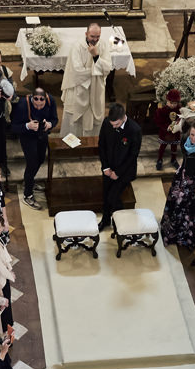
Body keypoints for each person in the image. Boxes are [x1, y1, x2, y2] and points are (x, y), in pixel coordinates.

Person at [159, 118, 195, 248]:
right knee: (175, 202)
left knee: (189, 209)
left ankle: (184, 239)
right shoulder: (185, 140)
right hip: (183, 175)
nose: (194, 138)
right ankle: (170, 233)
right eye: (192, 134)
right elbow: (186, 158)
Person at [60, 24, 112, 138]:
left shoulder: (103, 45)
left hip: (96, 89)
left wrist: (96, 56)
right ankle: (72, 145)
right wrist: (97, 73)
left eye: (98, 36)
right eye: (92, 36)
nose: (95, 39)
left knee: (93, 119)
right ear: (86, 34)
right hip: (79, 89)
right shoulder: (77, 47)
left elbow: (107, 69)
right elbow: (77, 72)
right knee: (75, 118)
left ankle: (91, 143)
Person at [97, 103, 142, 234]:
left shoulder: (134, 130)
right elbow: (102, 145)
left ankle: (121, 224)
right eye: (112, 124)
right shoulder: (107, 123)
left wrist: (118, 173)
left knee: (113, 197)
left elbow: (133, 155)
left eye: (116, 125)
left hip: (125, 171)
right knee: (106, 196)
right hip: (109, 168)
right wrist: (105, 167)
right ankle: (105, 220)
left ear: (123, 118)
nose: (113, 127)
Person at [11, 86, 58, 209]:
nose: (38, 107)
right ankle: (28, 195)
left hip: (42, 134)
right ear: (32, 98)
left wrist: (50, 124)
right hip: (27, 137)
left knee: (41, 159)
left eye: (41, 106)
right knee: (31, 163)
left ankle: (29, 181)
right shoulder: (22, 105)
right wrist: (27, 126)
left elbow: (55, 119)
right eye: (35, 105)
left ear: (45, 99)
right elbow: (13, 127)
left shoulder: (51, 100)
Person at [154, 88, 183, 170]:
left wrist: (178, 123)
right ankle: (159, 159)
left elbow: (180, 118)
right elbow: (159, 121)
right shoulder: (163, 110)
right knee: (162, 146)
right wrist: (167, 127)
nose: (173, 105)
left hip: (175, 132)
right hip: (165, 132)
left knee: (174, 146)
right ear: (167, 101)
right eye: (171, 103)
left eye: (175, 103)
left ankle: (173, 159)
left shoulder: (179, 110)